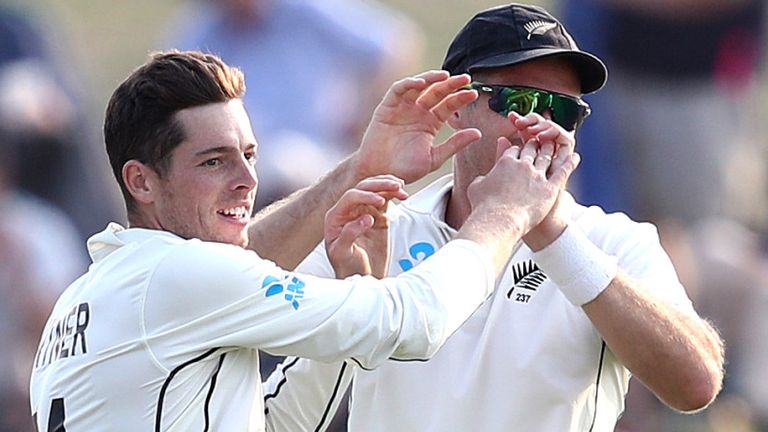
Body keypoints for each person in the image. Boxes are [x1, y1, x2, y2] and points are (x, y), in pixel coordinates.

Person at [28, 50, 578, 430]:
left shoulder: (87, 297)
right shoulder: (176, 276)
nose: (246, 181)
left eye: (248, 155)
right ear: (140, 180)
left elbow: (279, 425)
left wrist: (359, 187)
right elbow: (418, 321)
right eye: (213, 161)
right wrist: (506, 214)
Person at [264, 4, 726, 432]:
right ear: (455, 104)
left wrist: (551, 230)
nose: (544, 124)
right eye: (520, 101)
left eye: (565, 110)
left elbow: (696, 386)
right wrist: (359, 175)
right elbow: (279, 410)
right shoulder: (377, 229)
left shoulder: (614, 243)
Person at [168, 0, 424, 210]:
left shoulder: (305, 11)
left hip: (317, 150)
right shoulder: (206, 32)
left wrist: (363, 116)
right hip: (242, 156)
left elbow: (392, 47)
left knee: (283, 167)